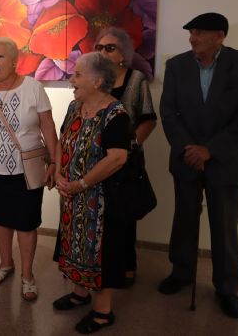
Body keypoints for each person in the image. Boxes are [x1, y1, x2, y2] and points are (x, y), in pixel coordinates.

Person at [158, 12, 238, 319]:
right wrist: (190, 149)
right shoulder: (177, 66)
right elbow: (168, 112)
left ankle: (227, 288)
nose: (193, 37)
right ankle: (181, 272)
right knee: (185, 219)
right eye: (191, 32)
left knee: (225, 226)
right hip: (186, 157)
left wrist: (210, 151)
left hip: (228, 161)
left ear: (220, 36)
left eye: (200, 32)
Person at [0, 37, 57, 301]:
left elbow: (48, 127)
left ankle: (27, 275)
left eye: (0, 56)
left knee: (26, 222)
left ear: (14, 61)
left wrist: (55, 162)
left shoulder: (33, 88)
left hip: (27, 170)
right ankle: (6, 263)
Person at [53, 52, 130, 334]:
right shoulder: (76, 106)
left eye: (77, 75)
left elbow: (118, 158)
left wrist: (81, 184)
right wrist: (60, 173)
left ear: (97, 81)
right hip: (73, 196)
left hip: (102, 200)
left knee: (102, 252)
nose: (72, 80)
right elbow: (63, 139)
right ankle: (79, 293)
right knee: (73, 243)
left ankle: (102, 312)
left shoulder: (115, 115)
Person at [94, 27, 157, 286]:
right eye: (99, 47)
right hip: (97, 161)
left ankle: (127, 267)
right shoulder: (95, 79)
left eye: (109, 47)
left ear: (123, 54)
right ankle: (98, 266)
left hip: (126, 162)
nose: (103, 52)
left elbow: (149, 119)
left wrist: (130, 146)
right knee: (100, 216)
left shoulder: (136, 79)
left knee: (123, 216)